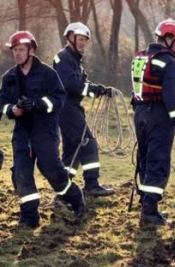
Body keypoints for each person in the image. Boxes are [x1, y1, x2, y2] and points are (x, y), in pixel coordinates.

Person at [0, 31, 85, 228]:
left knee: (51, 170)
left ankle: (75, 198)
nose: (17, 54)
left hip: (44, 130)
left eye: (21, 49)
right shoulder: (9, 77)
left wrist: (37, 104)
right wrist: (12, 110)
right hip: (22, 132)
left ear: (30, 50)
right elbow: (2, 103)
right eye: (14, 50)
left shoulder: (48, 74)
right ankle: (29, 218)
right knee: (21, 172)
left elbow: (59, 99)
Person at [131, 19, 175, 225]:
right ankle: (150, 210)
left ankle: (144, 200)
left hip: (139, 113)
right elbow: (172, 96)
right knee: (159, 161)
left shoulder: (141, 57)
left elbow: (139, 87)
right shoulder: (169, 61)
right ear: (168, 38)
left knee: (145, 158)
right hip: (158, 116)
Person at [53, 22, 115, 196]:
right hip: (67, 109)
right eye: (80, 39)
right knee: (88, 142)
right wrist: (94, 90)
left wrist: (100, 90)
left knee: (73, 149)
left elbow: (82, 83)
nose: (83, 43)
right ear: (71, 38)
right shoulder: (63, 57)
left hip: (70, 108)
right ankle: (91, 185)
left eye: (85, 40)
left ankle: (63, 188)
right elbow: (71, 84)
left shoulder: (74, 60)